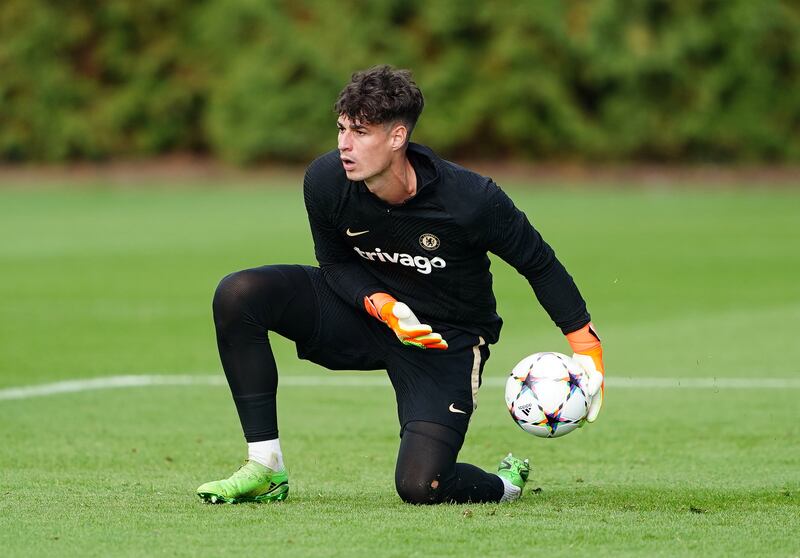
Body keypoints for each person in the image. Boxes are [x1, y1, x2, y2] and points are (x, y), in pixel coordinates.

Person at [196, 65, 605, 505]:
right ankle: (265, 467)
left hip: (442, 342)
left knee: (420, 486)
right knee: (239, 294)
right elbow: (333, 264)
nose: (343, 145)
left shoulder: (471, 200)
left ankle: (506, 483)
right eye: (341, 128)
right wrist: (382, 305)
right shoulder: (326, 180)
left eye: (360, 132)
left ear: (397, 137)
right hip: (363, 314)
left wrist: (588, 350)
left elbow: (539, 263)